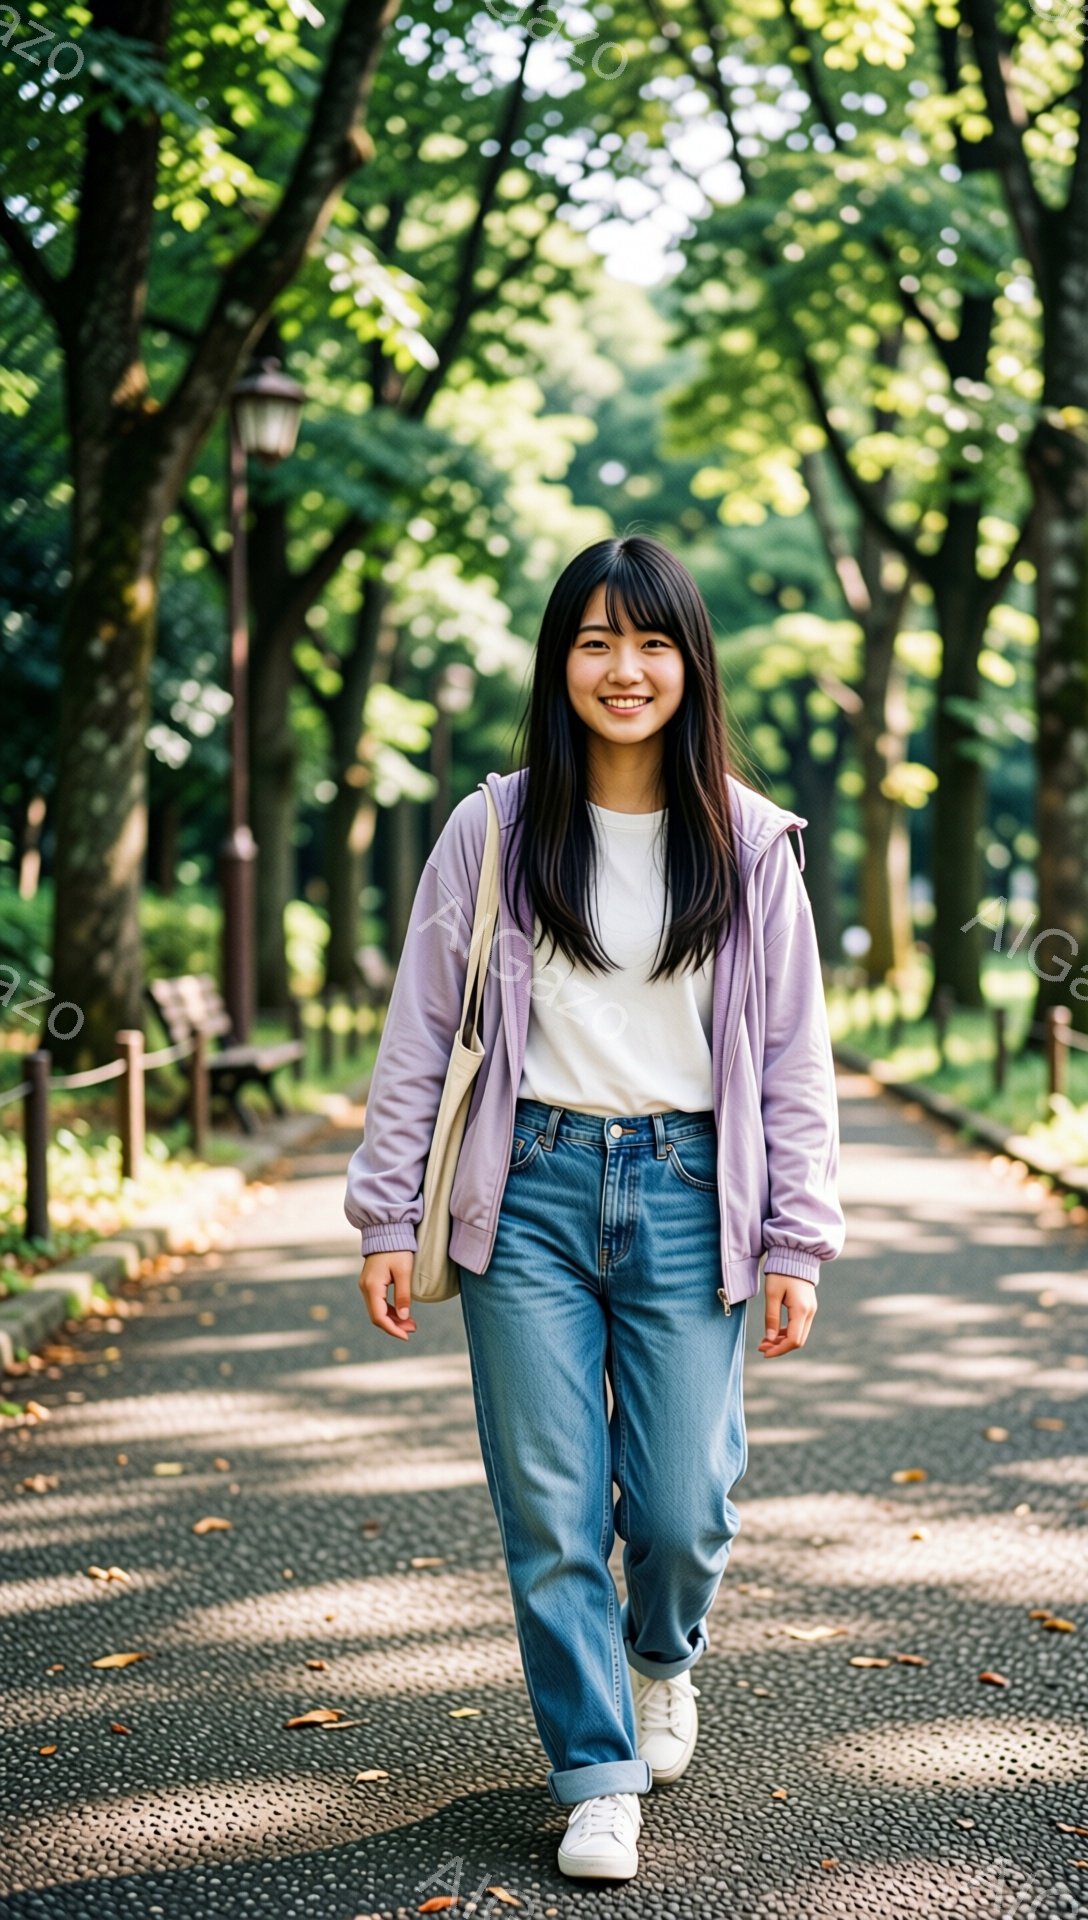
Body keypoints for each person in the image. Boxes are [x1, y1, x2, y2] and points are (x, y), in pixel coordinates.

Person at [345, 534, 845, 1883]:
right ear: (558, 661)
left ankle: (661, 1654)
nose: (625, 671)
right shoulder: (494, 829)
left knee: (682, 1507)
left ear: (691, 662)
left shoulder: (748, 843)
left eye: (652, 642)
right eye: (595, 642)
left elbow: (795, 1057)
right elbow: (420, 1031)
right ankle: (595, 1772)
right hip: (532, 1192)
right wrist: (387, 1214)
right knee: (554, 1506)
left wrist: (797, 1235)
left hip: (690, 1192)